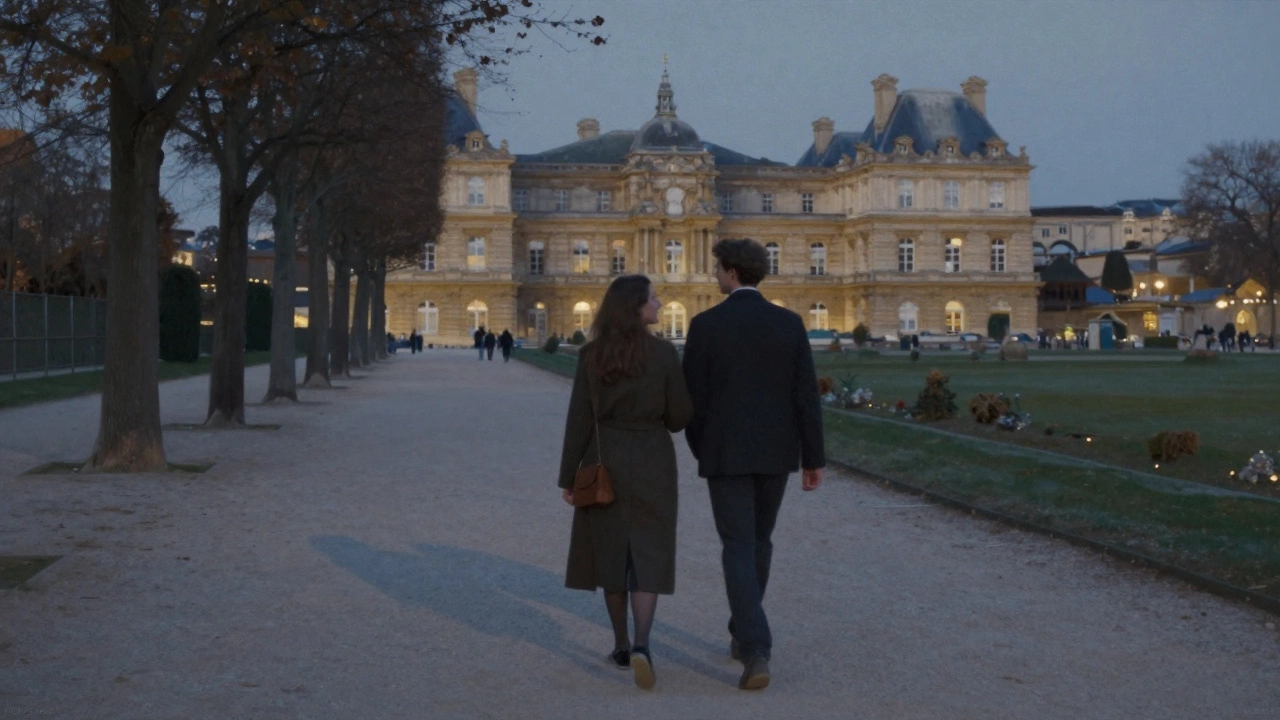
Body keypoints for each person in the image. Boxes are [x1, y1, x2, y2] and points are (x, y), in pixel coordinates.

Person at [682, 238, 825, 691]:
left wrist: (703, 446)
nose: (713, 275)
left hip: (725, 454)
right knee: (760, 542)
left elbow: (693, 401)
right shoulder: (788, 323)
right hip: (776, 453)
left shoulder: (706, 325)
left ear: (729, 271)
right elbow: (806, 396)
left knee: (738, 546)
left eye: (716, 268)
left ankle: (756, 646)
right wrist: (812, 457)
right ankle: (743, 633)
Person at [557, 274, 693, 691]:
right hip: (652, 459)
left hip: (605, 459)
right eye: (652, 298)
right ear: (635, 307)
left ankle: (619, 644)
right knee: (648, 554)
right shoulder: (664, 353)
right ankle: (642, 644)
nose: (659, 302)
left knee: (611, 553)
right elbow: (678, 419)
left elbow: (579, 419)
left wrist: (568, 477)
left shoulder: (592, 355)